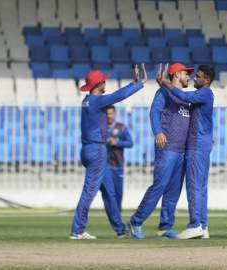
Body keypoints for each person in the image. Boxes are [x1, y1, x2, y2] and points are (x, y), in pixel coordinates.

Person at [70, 65, 147, 240]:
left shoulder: (87, 101)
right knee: (89, 192)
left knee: (108, 192)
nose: (105, 83)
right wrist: (138, 84)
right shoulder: (97, 100)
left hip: (89, 149)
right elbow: (118, 96)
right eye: (103, 81)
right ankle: (77, 230)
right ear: (98, 84)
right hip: (97, 149)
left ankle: (120, 230)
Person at [128, 63, 193, 239]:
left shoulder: (185, 97)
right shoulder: (163, 92)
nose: (189, 77)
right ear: (177, 74)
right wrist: (158, 131)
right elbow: (154, 112)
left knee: (173, 191)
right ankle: (136, 221)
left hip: (181, 151)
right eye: (186, 74)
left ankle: (164, 227)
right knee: (159, 186)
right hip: (167, 148)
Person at [158, 64, 215, 239]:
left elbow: (182, 95)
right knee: (202, 187)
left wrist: (165, 82)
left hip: (196, 145)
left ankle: (195, 224)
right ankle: (203, 226)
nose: (194, 78)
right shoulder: (204, 95)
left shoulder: (205, 93)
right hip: (203, 145)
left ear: (206, 79)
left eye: (198, 76)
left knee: (193, 185)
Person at [99, 105, 133, 238]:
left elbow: (130, 143)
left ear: (115, 114)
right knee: (110, 197)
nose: (109, 116)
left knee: (117, 198)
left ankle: (119, 227)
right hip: (105, 167)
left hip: (118, 167)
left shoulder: (121, 127)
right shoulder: (100, 128)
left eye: (111, 114)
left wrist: (117, 142)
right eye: (107, 114)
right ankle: (118, 227)